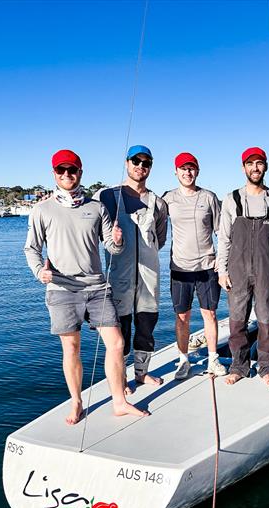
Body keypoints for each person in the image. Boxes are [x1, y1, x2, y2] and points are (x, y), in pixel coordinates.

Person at [24, 149, 149, 425]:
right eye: (61, 170)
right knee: (72, 348)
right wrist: (39, 271)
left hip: (96, 287)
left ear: (80, 172)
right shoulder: (42, 209)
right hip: (61, 290)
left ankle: (119, 402)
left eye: (72, 170)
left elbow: (112, 248)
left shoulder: (97, 207)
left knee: (116, 343)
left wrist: (117, 240)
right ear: (54, 174)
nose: (67, 175)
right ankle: (77, 402)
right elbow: (32, 248)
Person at [95, 145, 167, 393]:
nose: (140, 166)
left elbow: (160, 237)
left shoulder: (158, 202)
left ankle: (142, 373)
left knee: (146, 326)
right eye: (136, 161)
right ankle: (120, 378)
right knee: (120, 331)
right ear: (126, 163)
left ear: (151, 167)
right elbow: (90, 231)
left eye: (146, 162)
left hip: (149, 278)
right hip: (119, 278)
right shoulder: (106, 196)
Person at [217, 147, 269, 387]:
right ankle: (238, 367)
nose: (255, 168)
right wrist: (221, 270)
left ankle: (266, 368)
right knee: (237, 320)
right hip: (237, 271)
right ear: (243, 168)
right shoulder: (231, 200)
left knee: (267, 320)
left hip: (267, 271)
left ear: (265, 166)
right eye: (250, 164)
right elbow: (224, 239)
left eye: (259, 163)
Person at [162, 152, 227, 379]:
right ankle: (183, 361)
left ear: (197, 171)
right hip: (180, 269)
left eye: (191, 169)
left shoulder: (209, 197)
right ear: (176, 172)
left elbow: (221, 231)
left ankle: (213, 360)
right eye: (183, 169)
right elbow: (154, 226)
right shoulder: (168, 199)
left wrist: (222, 261)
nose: (187, 172)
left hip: (207, 267)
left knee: (210, 315)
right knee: (182, 317)